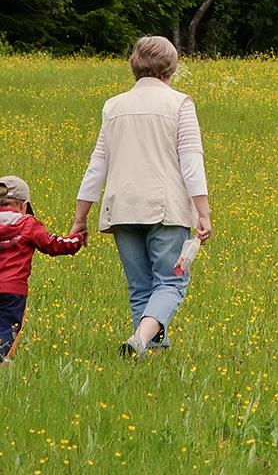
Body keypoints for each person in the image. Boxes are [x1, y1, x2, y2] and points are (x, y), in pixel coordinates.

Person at [69, 35, 212, 358]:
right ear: (171, 68)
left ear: (134, 65)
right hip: (165, 209)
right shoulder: (179, 104)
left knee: (140, 288)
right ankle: (139, 343)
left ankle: (148, 354)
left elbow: (97, 166)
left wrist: (81, 217)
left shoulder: (113, 106)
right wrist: (203, 213)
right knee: (171, 283)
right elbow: (191, 162)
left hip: (121, 210)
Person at [0, 176, 84, 363]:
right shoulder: (27, 224)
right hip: (12, 290)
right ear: (23, 205)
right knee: (7, 329)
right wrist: (76, 240)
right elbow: (51, 244)